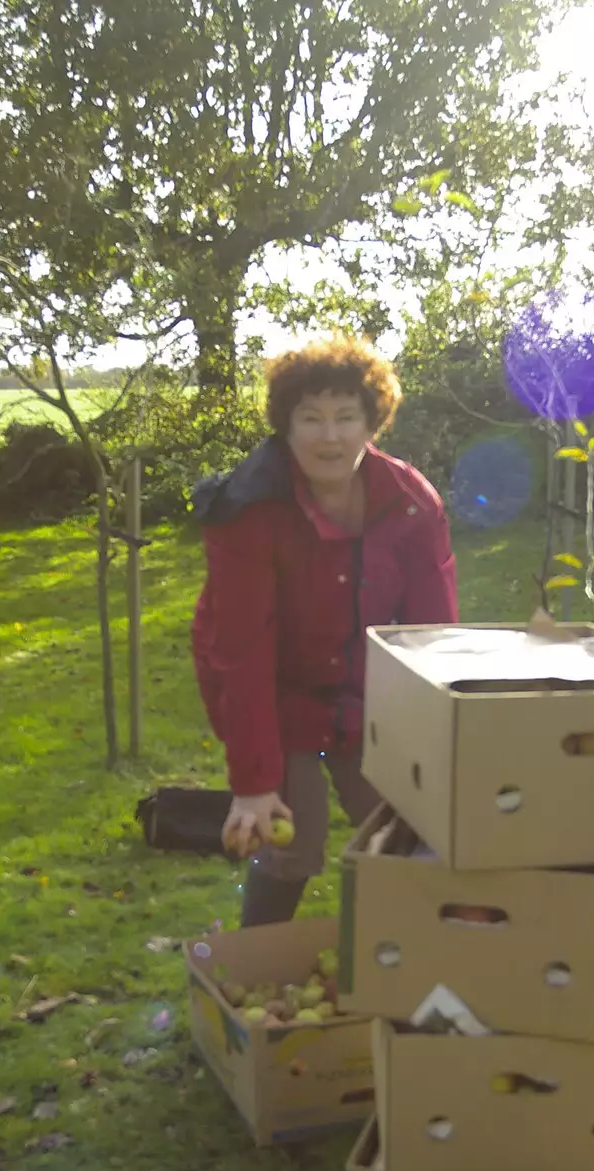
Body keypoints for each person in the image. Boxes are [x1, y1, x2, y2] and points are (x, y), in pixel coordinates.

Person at [191, 334, 459, 927]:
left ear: (373, 423)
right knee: (290, 840)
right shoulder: (248, 511)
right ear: (286, 426)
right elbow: (242, 651)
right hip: (273, 692)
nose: (330, 436)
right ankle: (257, 973)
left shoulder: (411, 503)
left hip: (365, 692)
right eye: (310, 418)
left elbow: (431, 637)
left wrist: (435, 746)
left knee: (407, 829)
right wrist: (255, 784)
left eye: (346, 417)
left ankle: (407, 967)